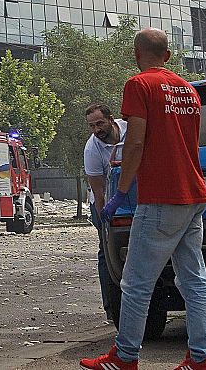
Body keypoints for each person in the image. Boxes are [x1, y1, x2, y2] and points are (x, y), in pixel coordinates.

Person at [83, 29, 206, 370]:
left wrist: (121, 192)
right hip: (193, 194)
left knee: (136, 282)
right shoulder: (188, 91)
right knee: (193, 280)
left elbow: (135, 143)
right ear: (168, 56)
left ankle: (125, 357)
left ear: (137, 54)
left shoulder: (138, 85)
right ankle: (201, 357)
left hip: (160, 196)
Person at [83, 103, 127, 321]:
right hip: (106, 200)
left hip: (134, 196)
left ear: (112, 119)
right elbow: (98, 191)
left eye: (99, 123)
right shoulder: (92, 149)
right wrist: (105, 222)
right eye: (91, 126)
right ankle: (111, 307)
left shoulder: (130, 130)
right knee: (107, 250)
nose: (96, 130)